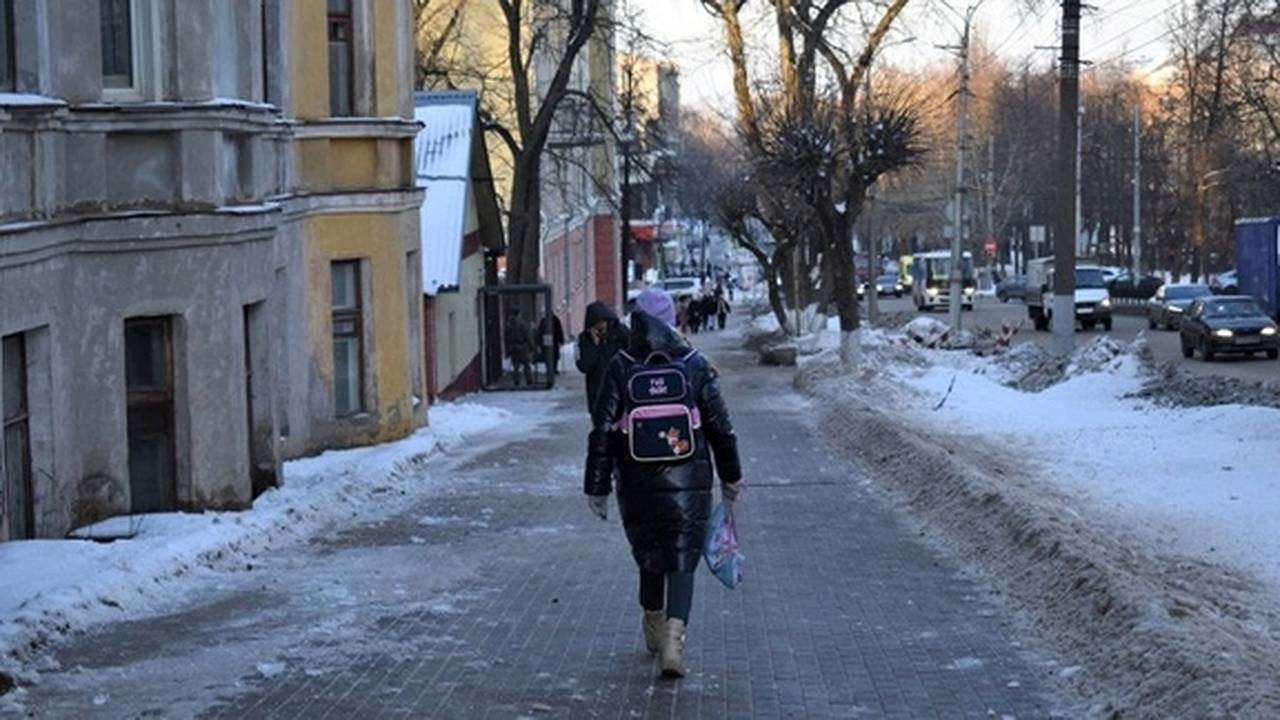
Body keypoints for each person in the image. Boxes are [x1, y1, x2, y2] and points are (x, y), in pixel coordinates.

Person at [583, 288, 744, 679]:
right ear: (671, 321)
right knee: (682, 556)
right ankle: (674, 639)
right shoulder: (693, 364)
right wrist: (731, 476)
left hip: (635, 479)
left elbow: (602, 430)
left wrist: (596, 487)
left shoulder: (621, 365)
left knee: (649, 552)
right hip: (690, 477)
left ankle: (653, 624)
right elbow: (721, 428)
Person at [575, 302, 629, 414]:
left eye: (603, 322)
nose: (601, 326)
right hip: (597, 390)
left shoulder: (621, 333)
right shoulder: (584, 339)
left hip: (619, 386)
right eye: (597, 323)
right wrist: (595, 345)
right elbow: (584, 366)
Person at [504, 307, 535, 386]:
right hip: (522, 347)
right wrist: (532, 347)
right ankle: (529, 380)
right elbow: (527, 336)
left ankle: (516, 381)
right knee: (526, 365)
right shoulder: (522, 324)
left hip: (512, 347)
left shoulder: (508, 325)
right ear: (518, 314)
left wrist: (507, 350)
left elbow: (506, 338)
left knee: (516, 366)